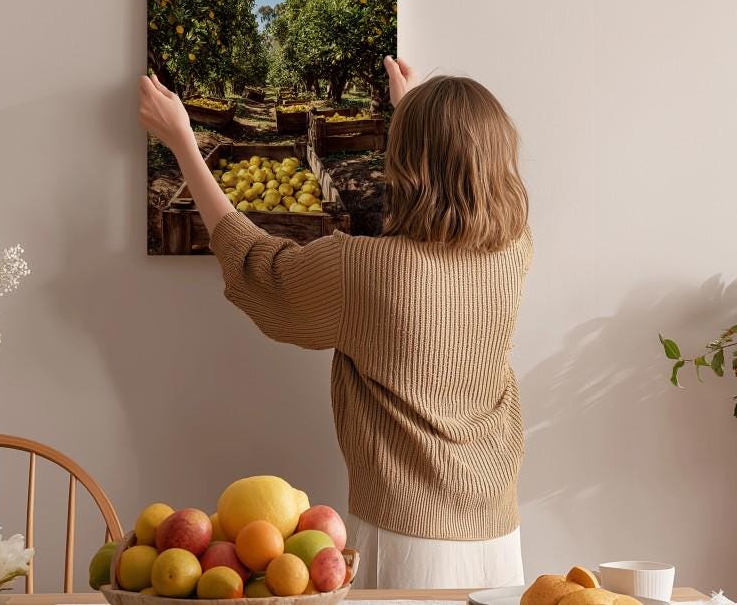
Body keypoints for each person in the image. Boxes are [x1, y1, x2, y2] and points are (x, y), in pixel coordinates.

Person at [138, 57, 532, 589]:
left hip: (406, 537)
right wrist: (412, 113)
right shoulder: (515, 251)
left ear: (405, 161)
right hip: (499, 533)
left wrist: (183, 140)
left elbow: (257, 264)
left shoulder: (364, 270)